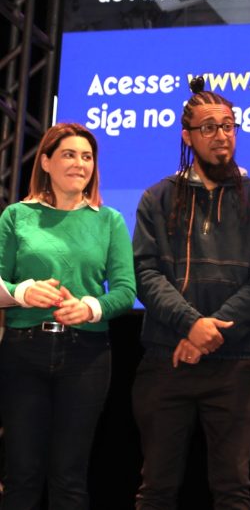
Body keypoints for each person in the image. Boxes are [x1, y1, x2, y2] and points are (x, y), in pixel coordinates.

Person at [132, 77, 250, 509]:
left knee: (233, 489)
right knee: (156, 488)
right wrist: (190, 325)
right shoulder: (157, 198)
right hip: (166, 358)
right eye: (210, 127)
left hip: (236, 365)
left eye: (229, 126)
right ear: (188, 136)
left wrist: (208, 334)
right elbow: (146, 274)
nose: (222, 136)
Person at [0, 123, 136, 509]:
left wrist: (91, 307)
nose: (80, 163)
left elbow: (126, 291)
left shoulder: (108, 220)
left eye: (87, 157)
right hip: (23, 352)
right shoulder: (16, 216)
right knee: (21, 476)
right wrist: (21, 292)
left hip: (87, 355)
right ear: (45, 161)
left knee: (70, 478)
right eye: (69, 154)